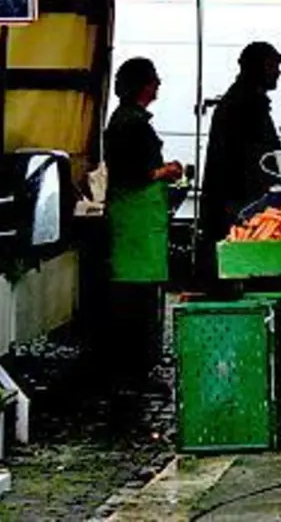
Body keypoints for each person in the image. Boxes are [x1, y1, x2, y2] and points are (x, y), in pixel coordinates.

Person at [102, 58, 183, 378]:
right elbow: (134, 172)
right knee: (137, 300)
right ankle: (136, 368)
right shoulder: (130, 124)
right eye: (154, 80)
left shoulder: (127, 120)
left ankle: (138, 365)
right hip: (134, 224)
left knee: (141, 296)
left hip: (138, 223)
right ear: (144, 85)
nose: (158, 84)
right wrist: (169, 170)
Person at [198, 41, 281, 288]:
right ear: (257, 67)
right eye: (273, 65)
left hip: (233, 205)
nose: (278, 71)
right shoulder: (245, 105)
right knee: (243, 278)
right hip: (238, 208)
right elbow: (261, 161)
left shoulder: (244, 100)